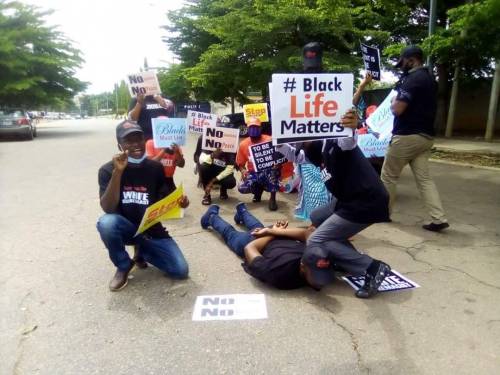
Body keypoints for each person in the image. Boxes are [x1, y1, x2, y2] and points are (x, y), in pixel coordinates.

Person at [200, 204, 390, 297]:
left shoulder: (284, 274)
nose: (320, 284)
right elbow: (307, 233)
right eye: (316, 276)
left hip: (264, 242)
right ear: (302, 265)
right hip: (265, 241)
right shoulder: (278, 272)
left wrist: (275, 232)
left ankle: (232, 214)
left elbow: (252, 247)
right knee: (234, 234)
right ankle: (218, 216)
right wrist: (276, 232)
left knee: (246, 233)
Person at [96, 120, 190, 291]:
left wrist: (180, 202)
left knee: (180, 270)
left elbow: (164, 198)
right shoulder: (107, 170)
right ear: (119, 145)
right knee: (106, 223)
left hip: (150, 228)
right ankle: (123, 265)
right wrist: (118, 172)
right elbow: (108, 208)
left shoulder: (155, 167)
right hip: (125, 228)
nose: (136, 144)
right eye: (129, 141)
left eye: (139, 139)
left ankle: (143, 251)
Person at [381, 45, 449, 232]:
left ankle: (382, 213)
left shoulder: (412, 80)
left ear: (411, 60)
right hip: (426, 137)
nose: (401, 66)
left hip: (407, 136)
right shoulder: (429, 79)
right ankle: (438, 218)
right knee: (425, 179)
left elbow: (397, 109)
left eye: (402, 62)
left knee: (388, 176)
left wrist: (393, 101)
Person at [236, 117, 281, 211]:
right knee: (242, 187)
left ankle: (272, 198)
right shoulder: (243, 144)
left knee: (273, 172)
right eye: (251, 127)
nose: (253, 130)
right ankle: (258, 192)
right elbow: (240, 163)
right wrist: (243, 170)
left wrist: (277, 164)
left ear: (260, 128)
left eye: (256, 127)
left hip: (269, 170)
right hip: (253, 172)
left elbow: (280, 157)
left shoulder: (270, 140)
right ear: (247, 129)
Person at [193, 135, 237, 205]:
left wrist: (213, 181)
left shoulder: (231, 142)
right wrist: (212, 155)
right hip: (210, 168)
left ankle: (223, 189)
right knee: (203, 168)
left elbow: (230, 168)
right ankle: (207, 195)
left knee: (231, 182)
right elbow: (199, 158)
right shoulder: (205, 138)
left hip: (223, 170)